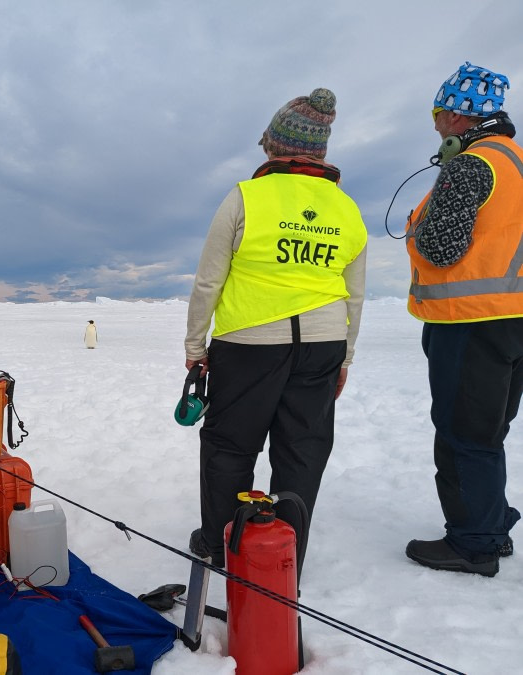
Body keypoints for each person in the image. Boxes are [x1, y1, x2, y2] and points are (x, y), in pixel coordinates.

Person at [184, 88, 367, 570]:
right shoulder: (346, 208)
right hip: (323, 343)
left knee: (229, 444)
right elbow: (355, 294)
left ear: (277, 146)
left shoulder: (245, 196)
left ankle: (222, 542)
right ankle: (286, 556)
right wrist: (344, 358)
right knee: (302, 453)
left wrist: (195, 345)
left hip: (248, 343)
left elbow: (209, 281)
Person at [404, 62, 520, 577]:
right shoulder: (515, 160)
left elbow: (442, 247)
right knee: (489, 428)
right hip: (512, 319)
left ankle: (474, 543)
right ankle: (491, 523)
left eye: (437, 113)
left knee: (463, 431)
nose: (433, 124)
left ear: (459, 116)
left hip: (471, 321)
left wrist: (420, 225)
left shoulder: (473, 164)